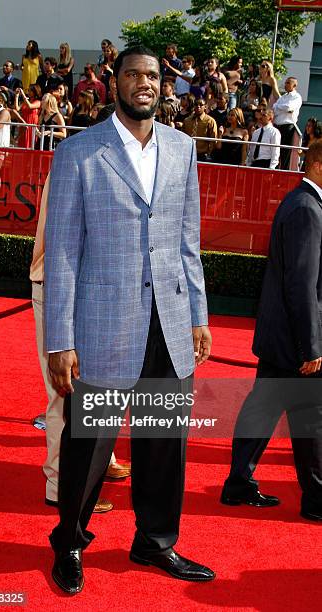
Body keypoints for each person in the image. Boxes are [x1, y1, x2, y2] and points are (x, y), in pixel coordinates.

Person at [44, 44, 214, 595]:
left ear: (163, 86)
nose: (145, 83)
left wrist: (198, 314)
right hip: (101, 325)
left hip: (168, 320)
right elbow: (64, 252)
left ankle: (155, 540)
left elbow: (188, 241)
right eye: (134, 74)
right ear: (113, 83)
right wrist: (60, 339)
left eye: (154, 76)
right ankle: (70, 539)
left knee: (164, 441)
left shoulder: (183, 148)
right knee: (88, 444)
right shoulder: (78, 153)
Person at [221, 141, 322, 522]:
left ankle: (238, 484)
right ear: (317, 165)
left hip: (284, 338)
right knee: (311, 420)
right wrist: (311, 345)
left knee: (262, 412)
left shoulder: (303, 204)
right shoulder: (307, 210)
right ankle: (316, 500)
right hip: (295, 341)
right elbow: (302, 284)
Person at [30, 175, 125, 512]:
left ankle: (98, 465)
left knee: (96, 392)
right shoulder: (75, 164)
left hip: (91, 294)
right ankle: (61, 487)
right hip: (62, 292)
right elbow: (67, 242)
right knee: (64, 395)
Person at [273, 77, 302, 170]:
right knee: (276, 150)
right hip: (277, 126)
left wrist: (280, 107)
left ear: (294, 85)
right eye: (285, 83)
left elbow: (289, 107)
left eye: (288, 83)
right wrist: (283, 108)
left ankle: (283, 173)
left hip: (287, 127)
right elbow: (274, 108)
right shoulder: (283, 97)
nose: (285, 84)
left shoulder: (297, 97)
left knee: (285, 152)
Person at [13, 84, 42, 149]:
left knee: (30, 143)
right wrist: (16, 96)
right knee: (22, 142)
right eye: (28, 90)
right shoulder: (26, 101)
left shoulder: (38, 102)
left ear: (35, 92)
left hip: (31, 123)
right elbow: (17, 108)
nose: (28, 92)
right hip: (24, 123)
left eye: (30, 90)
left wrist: (23, 95)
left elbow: (30, 106)